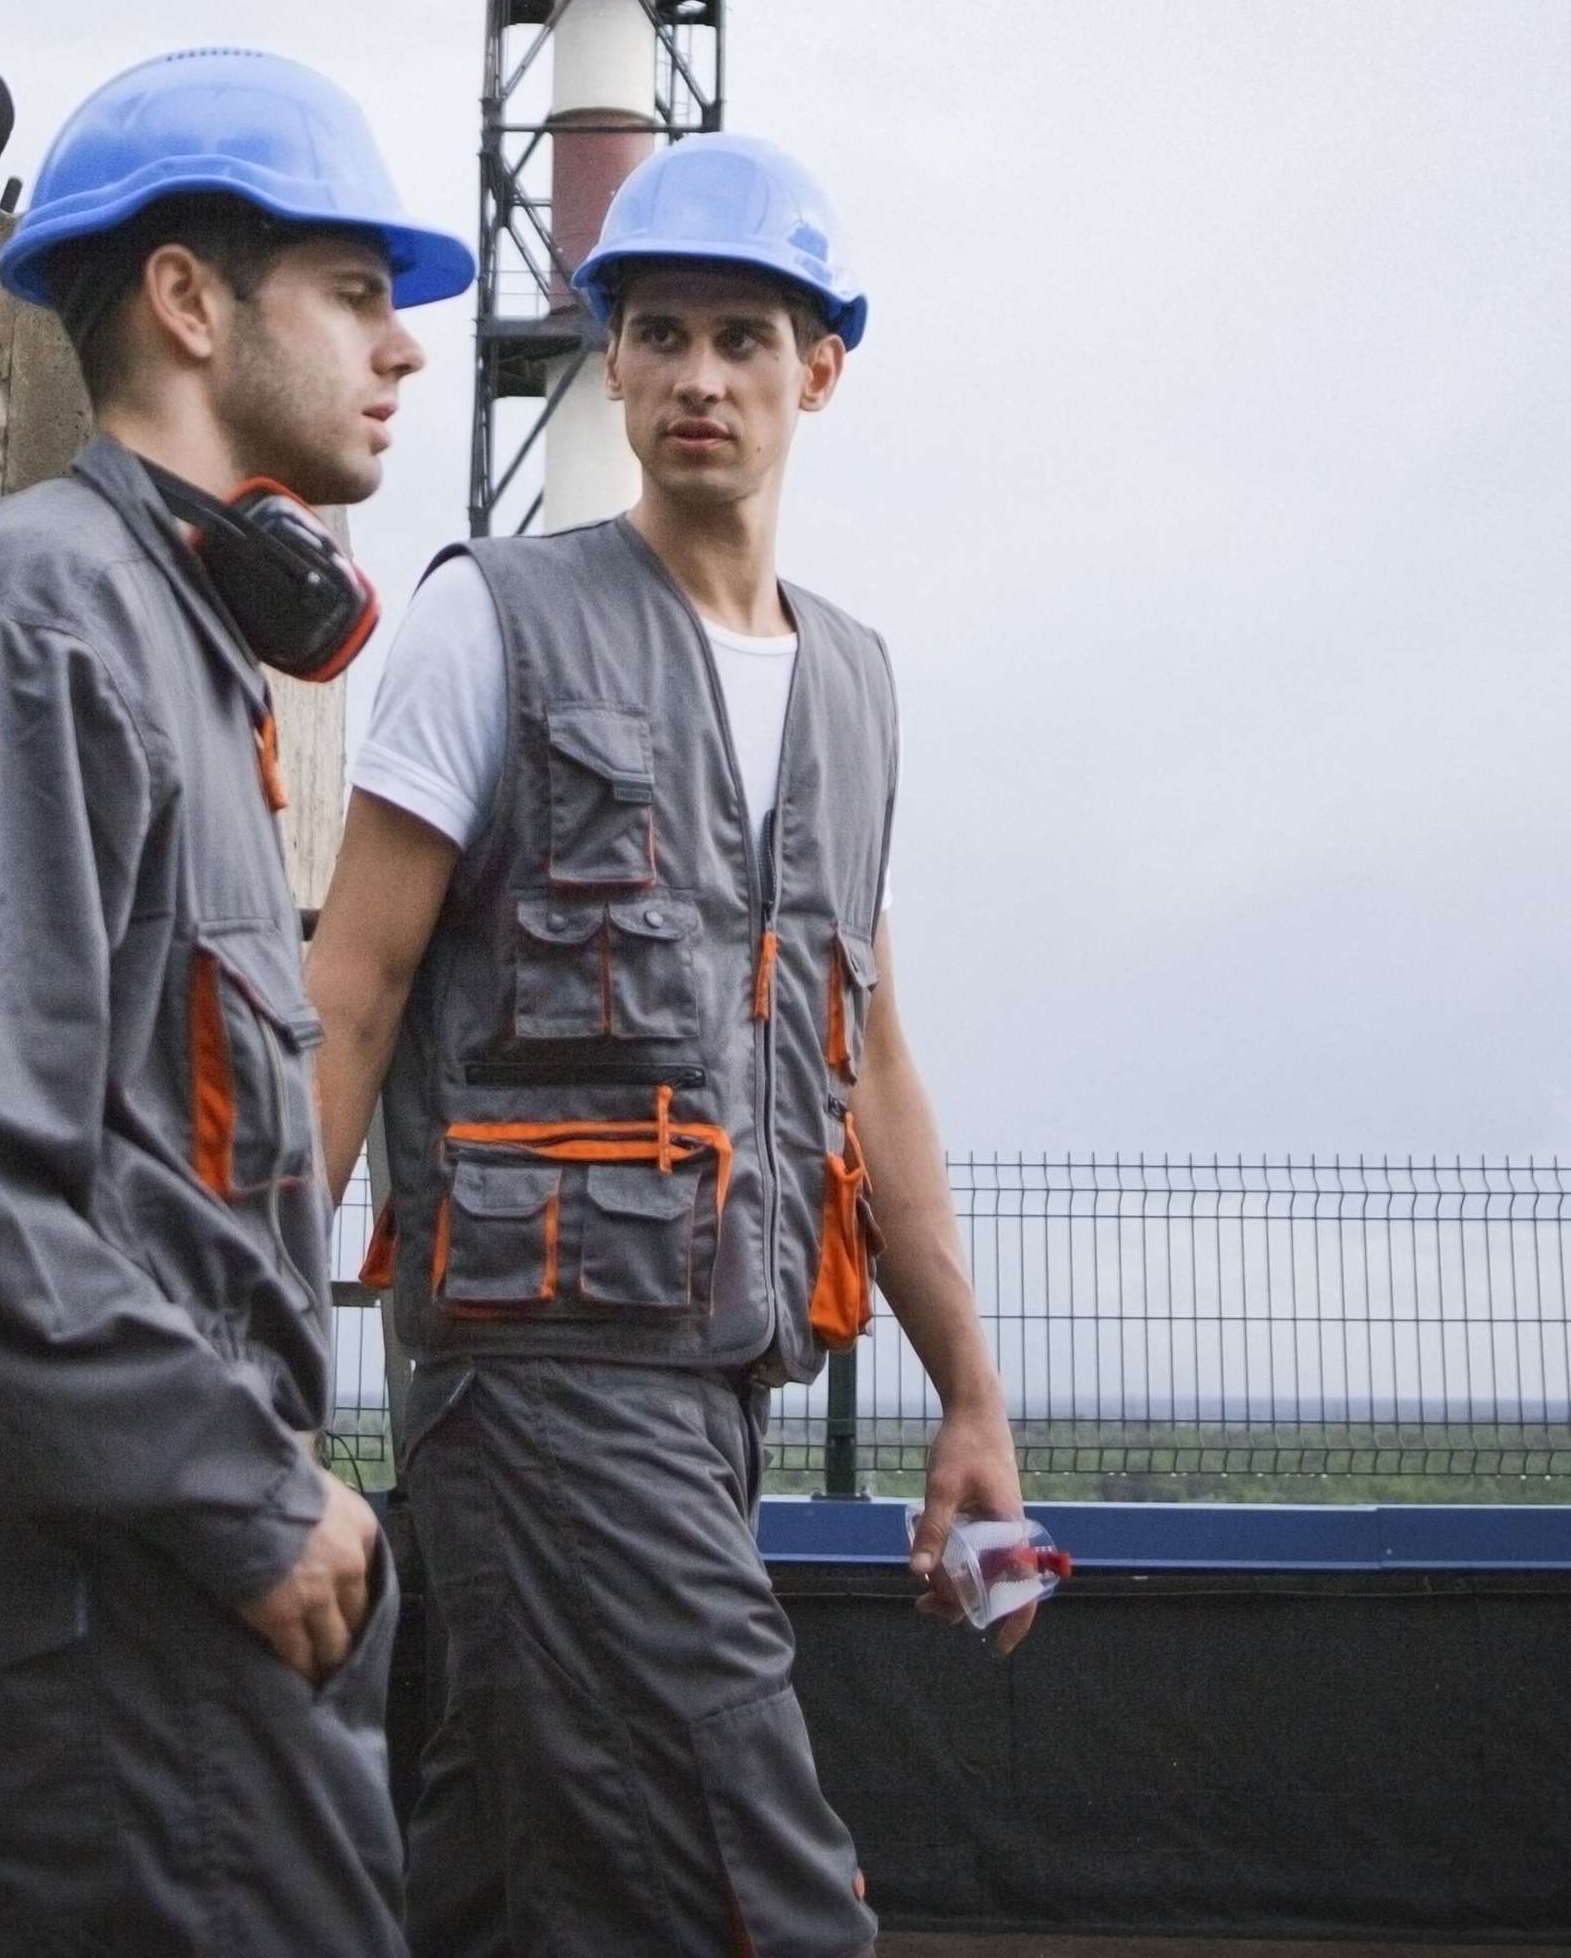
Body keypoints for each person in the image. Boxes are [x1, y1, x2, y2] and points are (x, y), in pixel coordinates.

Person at [0, 49, 474, 1957]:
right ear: (185, 298)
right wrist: (247, 1495)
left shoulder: (189, 657)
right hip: (72, 1664)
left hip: (141, 1625)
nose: (402, 350)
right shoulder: (28, 625)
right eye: (351, 291)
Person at [304, 133, 1035, 1957]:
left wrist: (972, 1393)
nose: (700, 376)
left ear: (820, 368)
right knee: (754, 1891)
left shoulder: (856, 683)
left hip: (720, 1397)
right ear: (609, 362)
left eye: (744, 336)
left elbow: (867, 1057)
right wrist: (238, 1364)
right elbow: (354, 987)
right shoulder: (497, 622)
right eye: (661, 335)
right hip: (535, 1380)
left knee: (508, 1876)